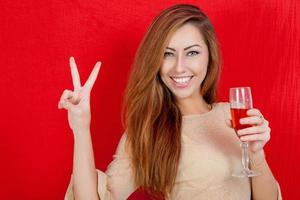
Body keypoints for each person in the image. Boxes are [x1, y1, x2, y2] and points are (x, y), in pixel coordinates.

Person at [58, 4, 282, 200]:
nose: (179, 67)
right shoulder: (148, 131)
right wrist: (80, 127)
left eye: (192, 53)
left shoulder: (234, 115)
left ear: (209, 56)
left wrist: (256, 154)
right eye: (168, 54)